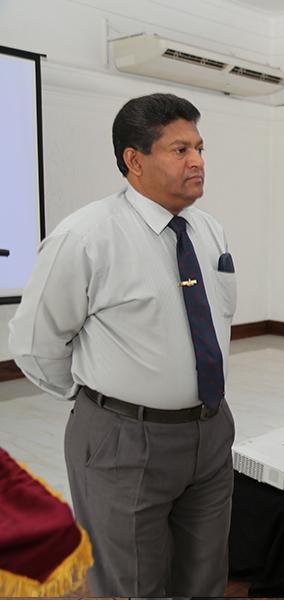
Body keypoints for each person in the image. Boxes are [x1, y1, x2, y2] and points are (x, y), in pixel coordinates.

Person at [8, 93, 237, 597]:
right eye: (180, 150)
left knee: (205, 578)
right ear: (134, 160)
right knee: (131, 584)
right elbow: (35, 344)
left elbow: (218, 317)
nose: (197, 161)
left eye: (199, 148)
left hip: (210, 432)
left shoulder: (207, 230)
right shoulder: (86, 237)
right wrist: (101, 402)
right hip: (124, 442)